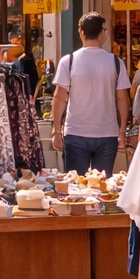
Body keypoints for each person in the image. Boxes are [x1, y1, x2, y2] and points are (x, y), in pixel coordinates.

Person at [49, 12, 131, 175]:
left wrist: (56, 130)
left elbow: (59, 98)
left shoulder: (69, 61)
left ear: (81, 32)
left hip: (76, 133)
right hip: (107, 134)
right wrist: (122, 130)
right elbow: (122, 98)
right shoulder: (116, 62)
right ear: (103, 33)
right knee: (102, 186)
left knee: (75, 187)